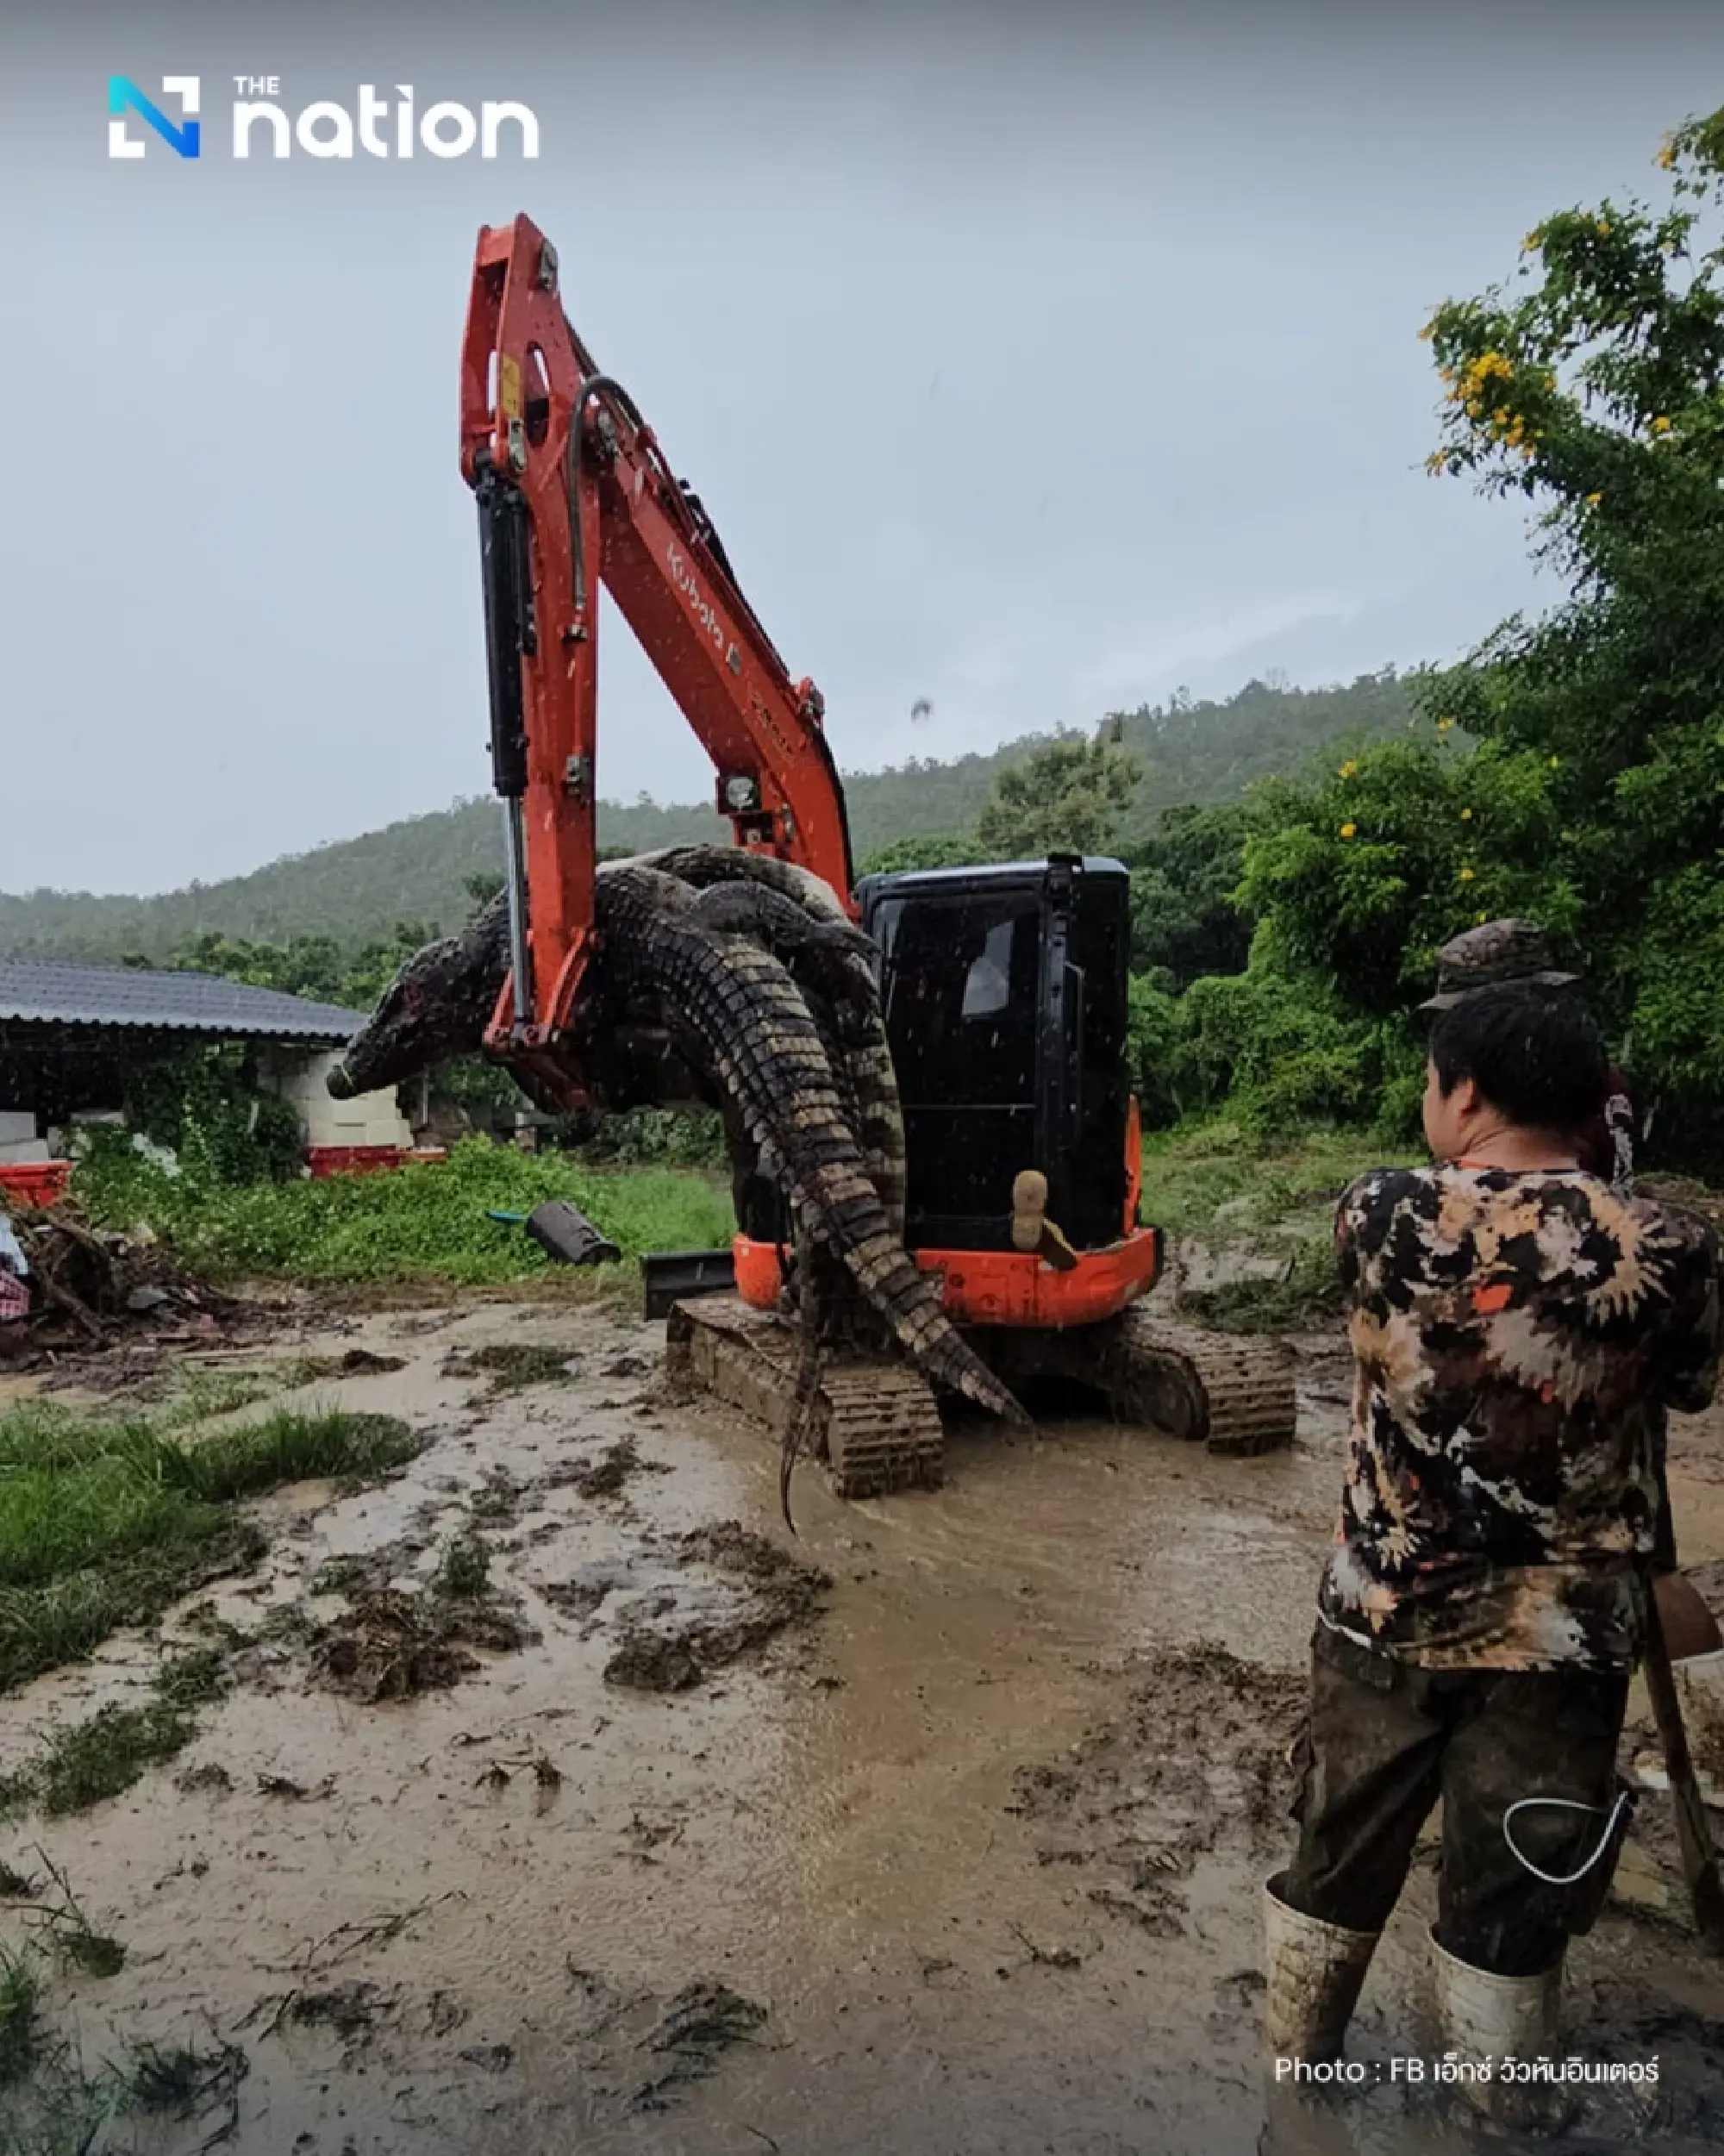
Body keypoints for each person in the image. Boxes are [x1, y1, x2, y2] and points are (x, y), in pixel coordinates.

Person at [1262, 983, 1721, 2110]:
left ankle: (1295, 2073)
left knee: (1335, 1851)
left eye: (1432, 1080)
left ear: (1464, 1093)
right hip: (1563, 1646)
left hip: (1383, 1615)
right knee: (1520, 1880)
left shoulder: (1376, 1212)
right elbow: (1686, 1388)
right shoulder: (1673, 1246)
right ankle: (1494, 2100)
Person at [1421, 919, 1720, 1660]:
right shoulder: (1592, 1080)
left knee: (1535, 1546)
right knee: (1624, 1545)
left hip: (1546, 1333)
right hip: (1612, 1321)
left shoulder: (1536, 1098)